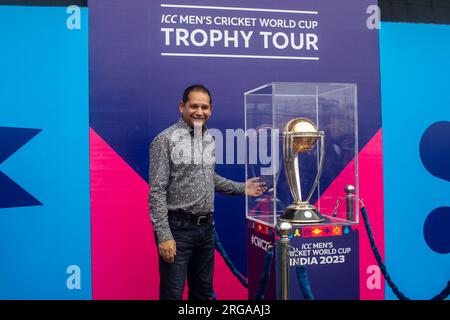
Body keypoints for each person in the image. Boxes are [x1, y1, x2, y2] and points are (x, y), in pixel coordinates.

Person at [149, 84, 265, 300]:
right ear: (181, 106)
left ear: (211, 110)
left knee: (202, 294)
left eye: (204, 107)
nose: (199, 112)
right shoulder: (164, 140)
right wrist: (164, 236)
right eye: (194, 106)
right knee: (172, 295)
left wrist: (242, 188)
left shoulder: (207, 137)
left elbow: (209, 178)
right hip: (177, 231)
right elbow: (156, 191)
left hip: (205, 231)